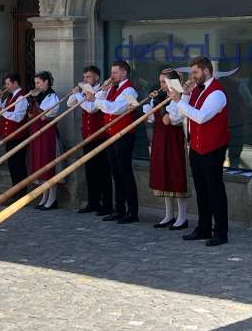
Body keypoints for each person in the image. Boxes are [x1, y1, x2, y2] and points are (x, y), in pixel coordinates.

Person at [169, 56, 230, 247]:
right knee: (201, 191)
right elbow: (179, 115)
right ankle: (203, 227)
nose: (193, 77)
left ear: (206, 71)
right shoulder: (195, 90)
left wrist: (181, 100)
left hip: (213, 148)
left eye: (195, 72)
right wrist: (184, 96)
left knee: (215, 190)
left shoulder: (217, 93)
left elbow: (201, 117)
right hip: (196, 146)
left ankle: (221, 232)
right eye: (192, 73)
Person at [90, 60, 139, 224]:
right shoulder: (111, 87)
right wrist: (102, 90)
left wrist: (96, 100)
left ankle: (132, 211)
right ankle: (119, 209)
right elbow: (97, 103)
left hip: (124, 136)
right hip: (111, 134)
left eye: (115, 73)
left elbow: (115, 109)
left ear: (124, 73)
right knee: (115, 173)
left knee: (125, 173)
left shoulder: (130, 89)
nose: (112, 76)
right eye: (112, 72)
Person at [145, 69, 190, 230]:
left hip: (174, 139)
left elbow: (173, 118)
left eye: (164, 82)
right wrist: (150, 111)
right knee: (163, 174)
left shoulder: (181, 97)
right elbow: (154, 119)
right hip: (160, 139)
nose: (161, 85)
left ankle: (182, 217)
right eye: (161, 82)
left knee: (176, 174)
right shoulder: (161, 97)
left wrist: (166, 113)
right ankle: (169, 214)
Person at [67, 65, 113, 216]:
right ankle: (93, 202)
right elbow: (69, 104)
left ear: (96, 78)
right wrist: (77, 93)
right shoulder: (85, 91)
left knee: (102, 172)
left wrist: (81, 95)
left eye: (88, 77)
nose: (85, 79)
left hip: (99, 136)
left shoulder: (101, 91)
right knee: (90, 171)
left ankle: (106, 204)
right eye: (84, 77)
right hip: (87, 137)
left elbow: (91, 108)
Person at [28, 71, 61, 211]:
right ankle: (44, 196)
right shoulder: (40, 96)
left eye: (38, 82)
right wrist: (30, 103)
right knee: (40, 164)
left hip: (48, 134)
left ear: (46, 81)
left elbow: (45, 116)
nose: (36, 85)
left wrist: (35, 102)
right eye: (35, 83)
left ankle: (52, 198)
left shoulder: (51, 96)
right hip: (37, 133)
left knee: (48, 164)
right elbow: (30, 116)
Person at [0, 73, 29, 190]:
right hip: (9, 136)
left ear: (15, 83)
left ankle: (21, 191)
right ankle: (15, 190)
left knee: (18, 164)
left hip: (18, 136)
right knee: (12, 165)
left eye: (8, 84)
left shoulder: (22, 97)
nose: (6, 87)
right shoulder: (9, 96)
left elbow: (18, 117)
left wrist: (2, 110)